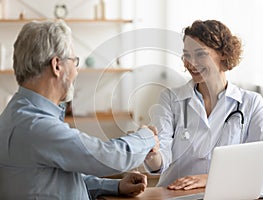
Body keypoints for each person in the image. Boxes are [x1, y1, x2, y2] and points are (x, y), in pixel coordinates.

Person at [0, 20, 159, 199]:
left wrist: (115, 186)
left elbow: (56, 179)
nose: (76, 72)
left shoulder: (17, 113)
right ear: (57, 65)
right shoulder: (35, 125)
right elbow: (107, 156)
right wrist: (146, 137)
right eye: (74, 62)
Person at [144, 19, 263, 190]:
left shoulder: (251, 103)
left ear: (224, 53)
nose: (191, 63)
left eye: (200, 54)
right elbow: (160, 162)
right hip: (176, 194)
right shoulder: (171, 99)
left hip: (227, 193)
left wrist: (212, 179)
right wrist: (152, 153)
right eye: (187, 55)